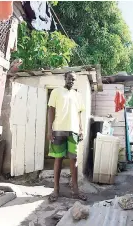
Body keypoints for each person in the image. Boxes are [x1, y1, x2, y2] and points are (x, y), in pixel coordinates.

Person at [47, 71, 87, 202]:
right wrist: (49, 129)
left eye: (73, 80)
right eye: (69, 79)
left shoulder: (77, 95)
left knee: (73, 160)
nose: (71, 81)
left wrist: (81, 129)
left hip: (73, 131)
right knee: (58, 159)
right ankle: (55, 190)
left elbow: (79, 114)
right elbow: (51, 111)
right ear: (65, 78)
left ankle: (75, 190)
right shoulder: (56, 92)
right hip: (58, 130)